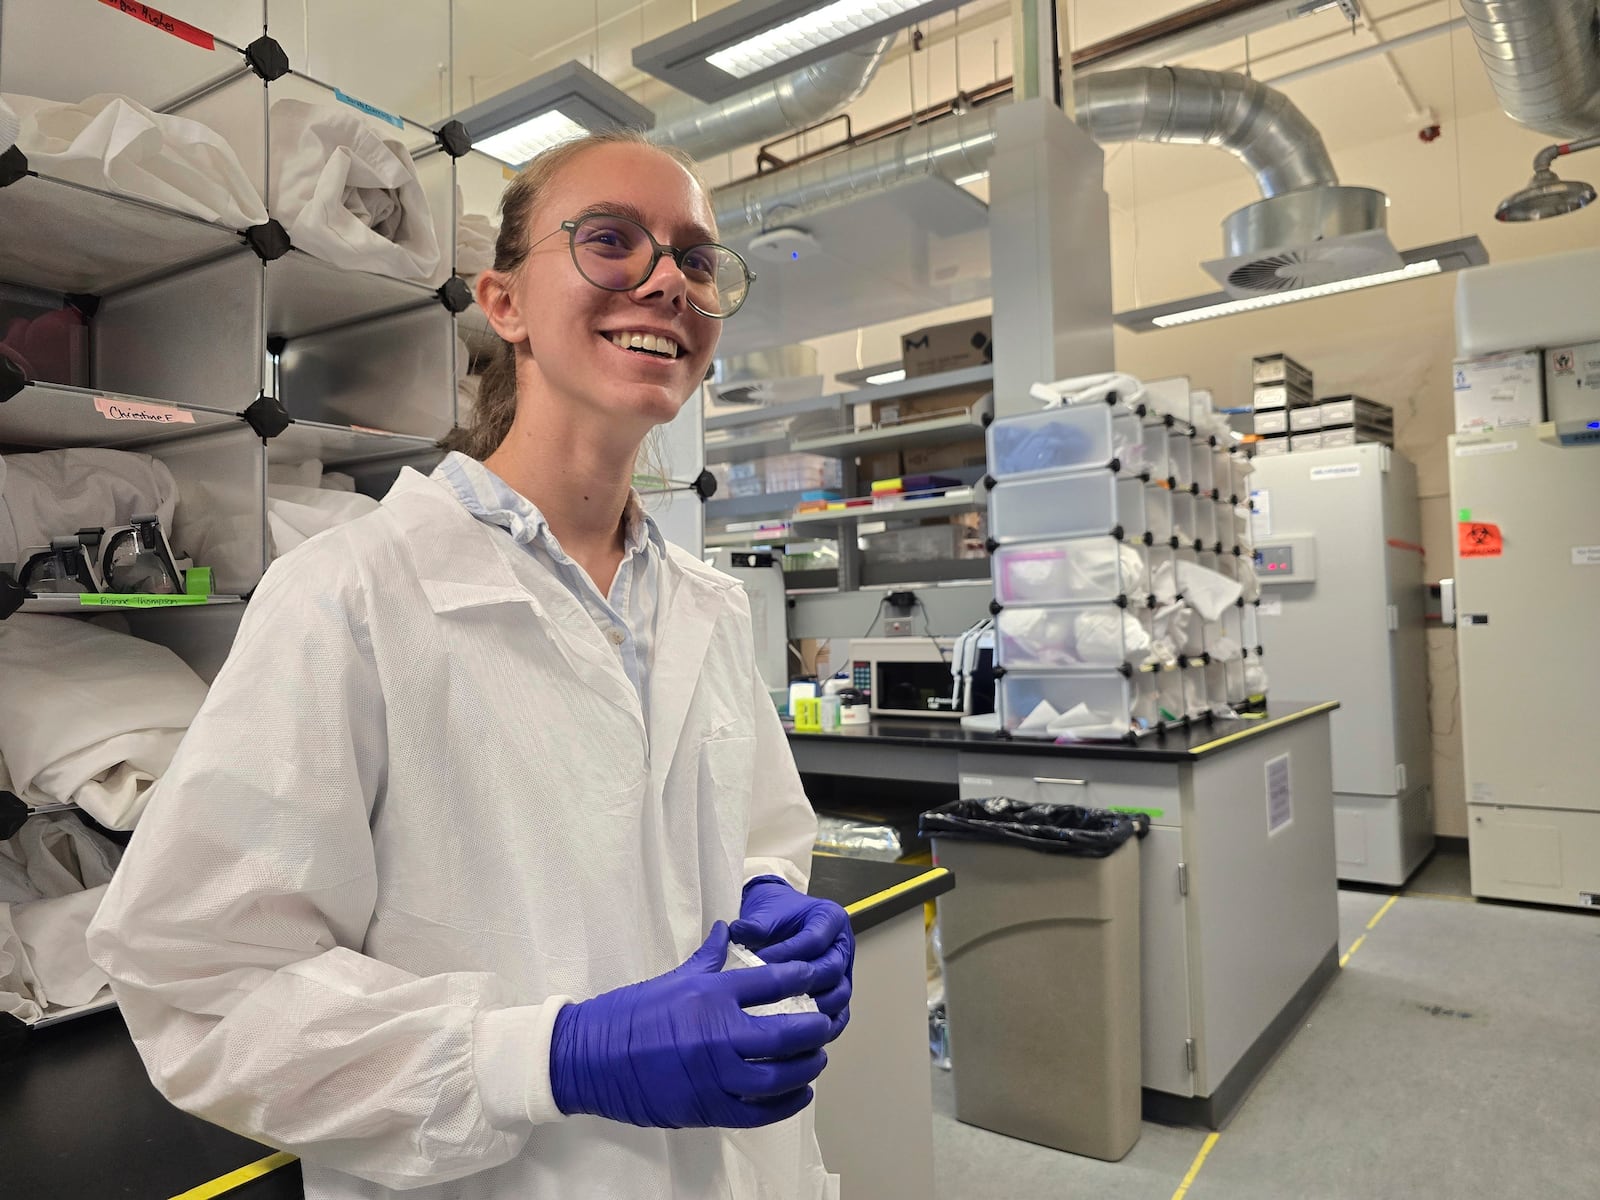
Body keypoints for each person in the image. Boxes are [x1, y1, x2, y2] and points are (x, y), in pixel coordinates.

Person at [87, 129, 854, 1200]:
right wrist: (549, 1057)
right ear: (503, 303)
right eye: (609, 241)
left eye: (694, 257)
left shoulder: (706, 609)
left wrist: (781, 907)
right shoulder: (348, 598)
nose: (666, 280)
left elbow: (762, 838)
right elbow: (202, 985)